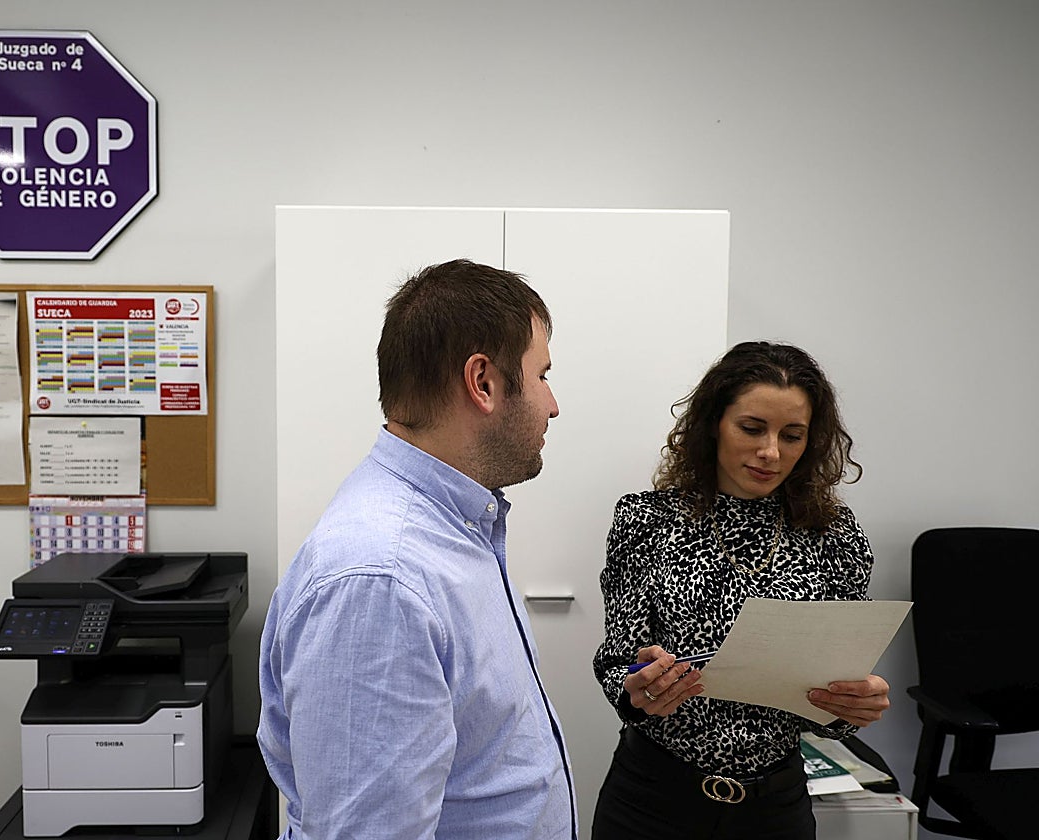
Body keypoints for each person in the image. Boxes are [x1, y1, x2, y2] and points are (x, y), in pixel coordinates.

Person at [258, 259, 577, 840]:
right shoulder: (380, 578)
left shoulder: (454, 528)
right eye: (543, 376)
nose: (553, 405)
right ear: (483, 382)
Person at [590, 341, 889, 840]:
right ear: (713, 423)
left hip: (774, 808)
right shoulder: (647, 521)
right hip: (654, 799)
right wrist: (638, 686)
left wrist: (851, 708)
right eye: (752, 428)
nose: (771, 452)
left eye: (792, 436)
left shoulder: (835, 537)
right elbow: (618, 661)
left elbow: (832, 690)